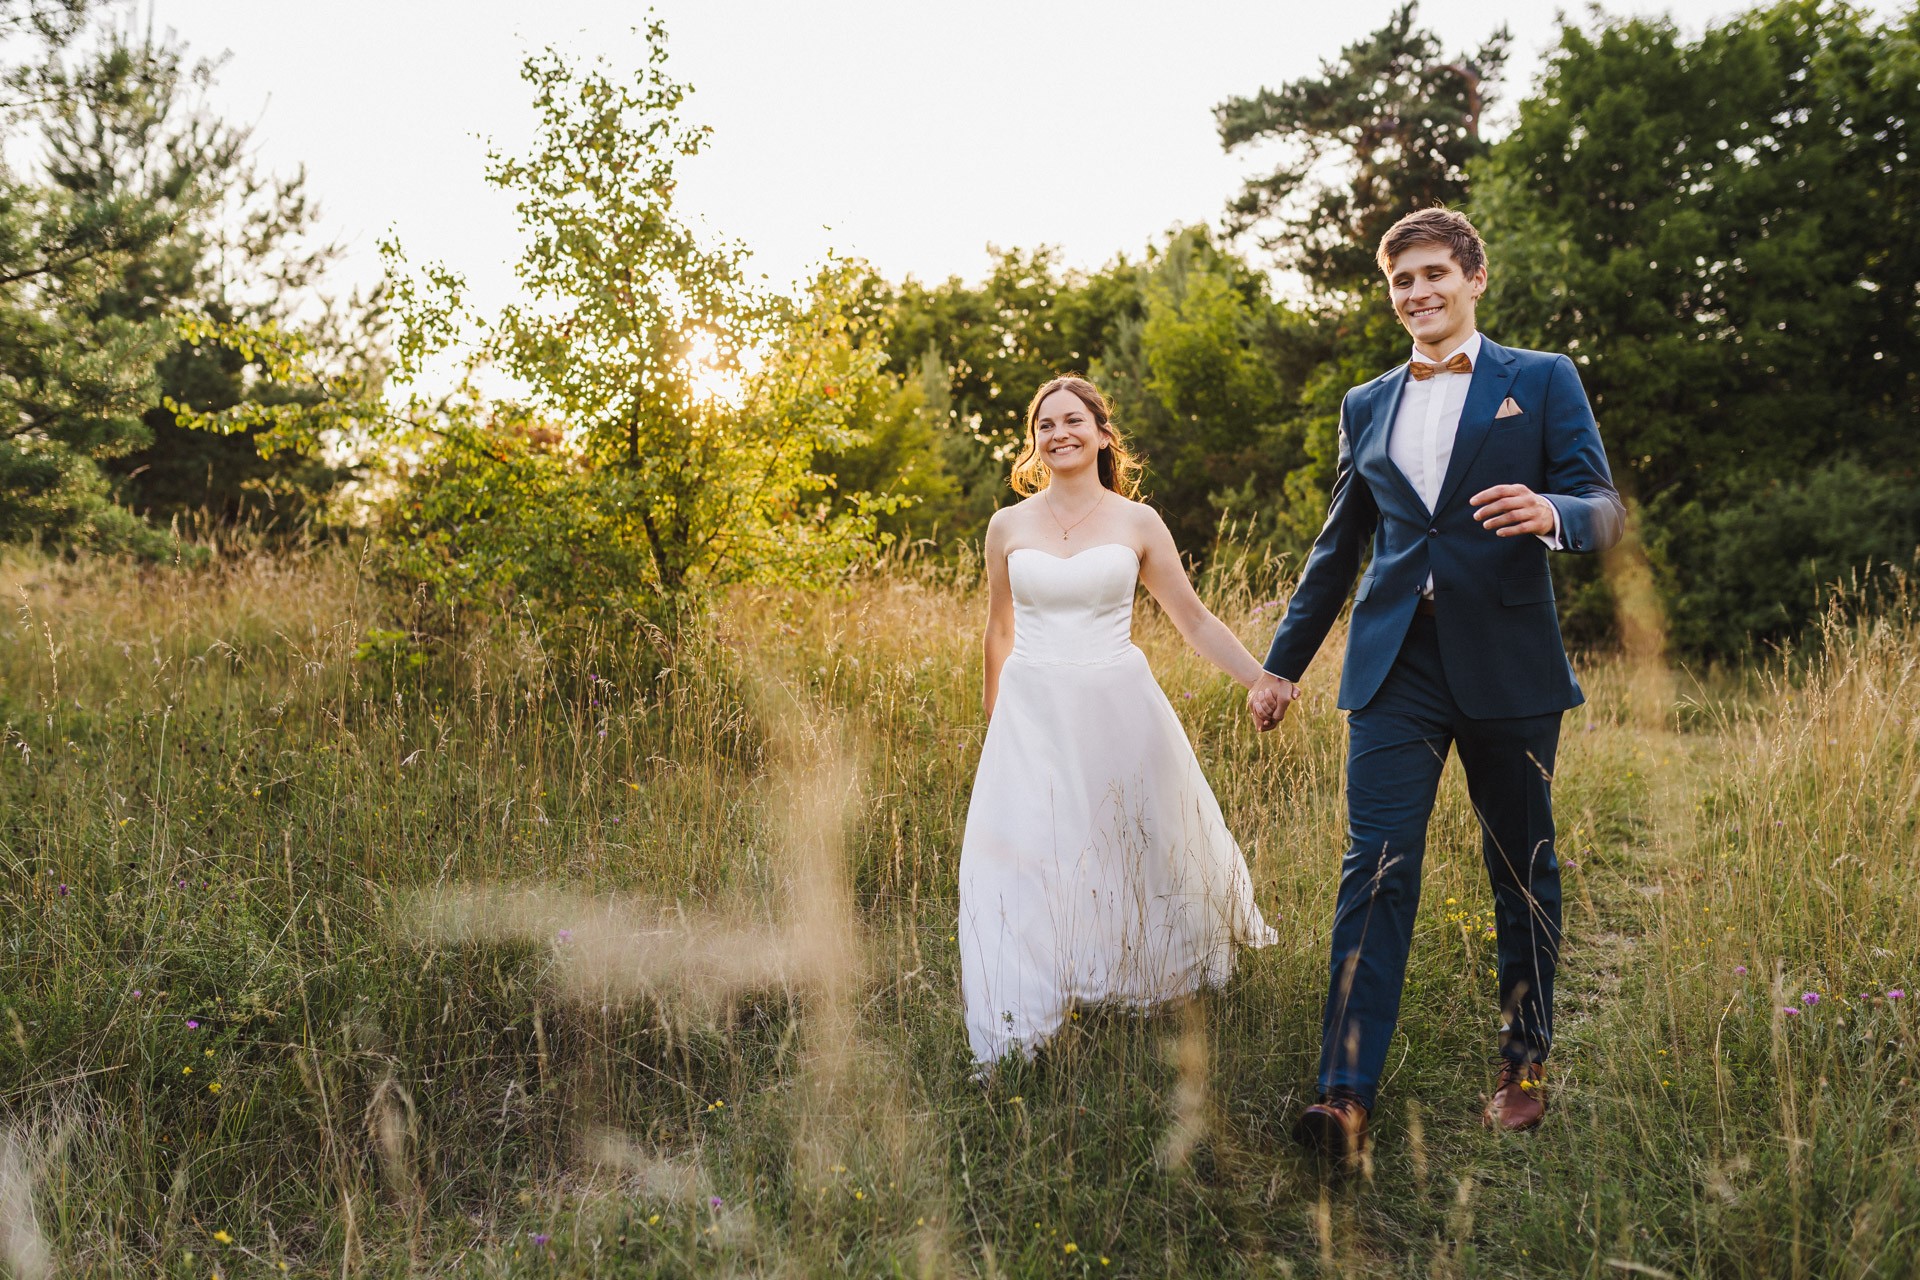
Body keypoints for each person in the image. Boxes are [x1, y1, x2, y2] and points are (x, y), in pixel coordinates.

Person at [1247, 208, 1625, 1160]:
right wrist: (1282, 665)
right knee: (1375, 868)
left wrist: (1551, 511)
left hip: (1509, 664)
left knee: (1522, 870)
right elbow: (1339, 547)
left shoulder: (1542, 378)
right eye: (1401, 281)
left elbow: (1605, 507)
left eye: (1432, 274)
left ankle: (1523, 1064)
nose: (1417, 293)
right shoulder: (1365, 403)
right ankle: (1343, 1094)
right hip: (1394, 667)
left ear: (1473, 278)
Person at [957, 375, 1277, 1069]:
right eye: (1045, 424)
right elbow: (998, 630)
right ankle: (1020, 1022)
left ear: (1103, 435)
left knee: (1126, 846)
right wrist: (996, 721)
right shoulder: (1007, 526)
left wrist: (1261, 677)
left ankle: (1134, 980)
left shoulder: (1138, 523)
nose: (1059, 433)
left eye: (1074, 420)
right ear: (1034, 441)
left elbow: (1193, 619)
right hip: (1031, 712)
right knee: (1023, 857)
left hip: (1118, 707)